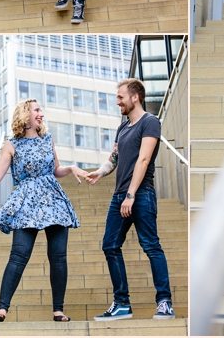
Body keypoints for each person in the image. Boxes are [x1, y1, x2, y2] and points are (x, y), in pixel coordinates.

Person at [0, 99, 88, 323]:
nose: (41, 114)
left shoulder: (48, 139)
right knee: (18, 255)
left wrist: (71, 167)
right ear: (25, 115)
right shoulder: (11, 144)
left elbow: (56, 169)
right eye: (37, 110)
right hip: (26, 201)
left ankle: (58, 310)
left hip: (53, 200)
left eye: (41, 110)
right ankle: (2, 308)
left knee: (58, 257)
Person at [85, 78, 175, 321]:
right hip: (119, 196)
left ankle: (164, 301)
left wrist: (131, 195)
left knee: (151, 246)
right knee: (109, 245)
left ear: (135, 97)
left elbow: (144, 160)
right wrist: (100, 172)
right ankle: (122, 303)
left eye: (120, 97)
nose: (118, 102)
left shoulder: (150, 122)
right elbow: (114, 157)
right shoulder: (123, 127)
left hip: (141, 194)